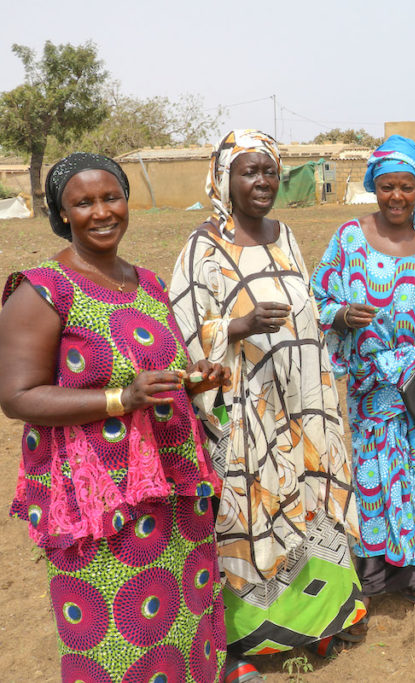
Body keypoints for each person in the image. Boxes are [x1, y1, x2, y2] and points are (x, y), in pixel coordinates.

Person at [0, 153, 230, 682]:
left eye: (111, 197)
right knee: (116, 631)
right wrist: (119, 400)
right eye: (83, 203)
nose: (101, 212)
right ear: (62, 214)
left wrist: (193, 378)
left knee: (183, 615)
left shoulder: (146, 282)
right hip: (98, 498)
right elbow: (17, 397)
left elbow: (157, 369)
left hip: (171, 485)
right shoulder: (43, 290)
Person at [169, 130, 365, 677]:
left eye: (269, 171)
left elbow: (307, 309)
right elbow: (181, 333)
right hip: (248, 411)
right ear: (224, 179)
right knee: (253, 505)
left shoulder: (286, 235)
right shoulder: (202, 246)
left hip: (305, 401)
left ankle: (323, 620)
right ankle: (257, 636)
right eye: (248, 172)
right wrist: (239, 326)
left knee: (314, 494)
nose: (261, 182)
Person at [310, 135, 415, 608]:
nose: (397, 197)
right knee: (377, 473)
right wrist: (342, 316)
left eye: (407, 187)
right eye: (387, 186)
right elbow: (318, 294)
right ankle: (374, 572)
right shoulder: (350, 238)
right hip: (375, 385)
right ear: (374, 186)